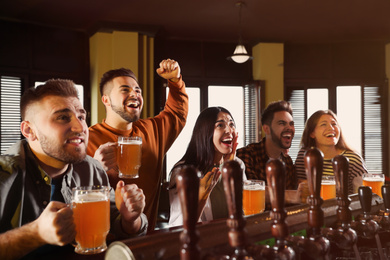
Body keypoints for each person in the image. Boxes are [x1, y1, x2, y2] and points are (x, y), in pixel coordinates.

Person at [0, 79, 147, 260]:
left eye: (81, 117)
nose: (81, 128)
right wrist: (35, 233)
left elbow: (121, 225)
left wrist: (130, 219)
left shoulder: (92, 169)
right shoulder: (4, 175)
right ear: (30, 130)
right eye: (62, 117)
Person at [87, 59, 189, 232]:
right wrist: (95, 167)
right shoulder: (87, 138)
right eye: (125, 90)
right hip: (103, 242)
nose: (134, 94)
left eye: (137, 90)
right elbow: (72, 191)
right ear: (106, 100)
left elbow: (177, 113)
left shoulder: (152, 130)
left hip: (145, 239)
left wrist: (174, 81)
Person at [168, 106, 245, 227]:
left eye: (231, 124)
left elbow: (243, 211)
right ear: (205, 132)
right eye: (220, 125)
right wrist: (201, 197)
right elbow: (178, 227)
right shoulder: (183, 172)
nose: (229, 130)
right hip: (203, 241)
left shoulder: (238, 165)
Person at [295, 109, 366, 194]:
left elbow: (362, 195)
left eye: (334, 124)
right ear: (312, 133)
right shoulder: (305, 155)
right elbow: (301, 189)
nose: (331, 128)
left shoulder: (353, 159)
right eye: (323, 124)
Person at [236, 100, 297, 190]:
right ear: (266, 129)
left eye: (291, 124)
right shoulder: (246, 154)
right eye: (282, 123)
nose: (289, 128)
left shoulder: (288, 162)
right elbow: (251, 191)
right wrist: (292, 196)